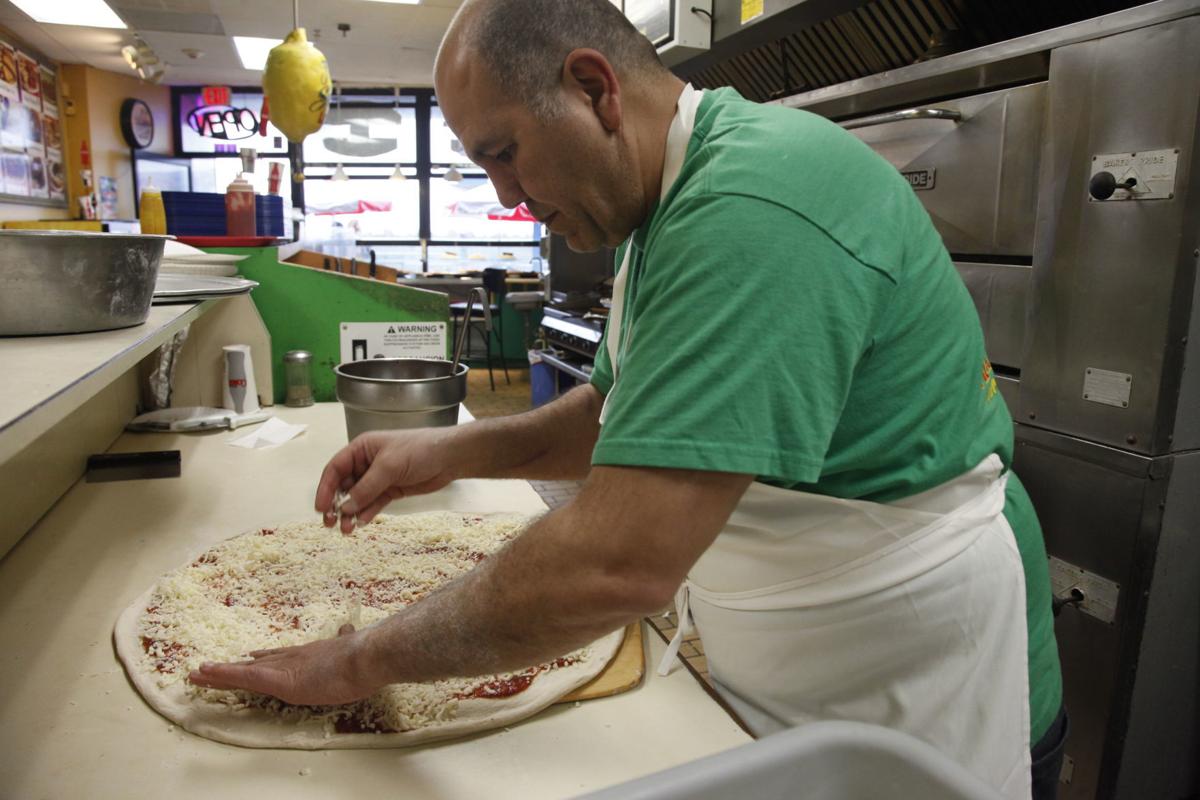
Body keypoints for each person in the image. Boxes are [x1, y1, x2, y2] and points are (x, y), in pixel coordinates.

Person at [190, 1, 1065, 796]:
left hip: (908, 666)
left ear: (593, 89)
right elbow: (618, 414)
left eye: (504, 154)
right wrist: (451, 450)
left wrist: (357, 660)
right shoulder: (659, 210)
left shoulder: (753, 206)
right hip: (789, 652)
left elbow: (619, 561)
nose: (508, 199)